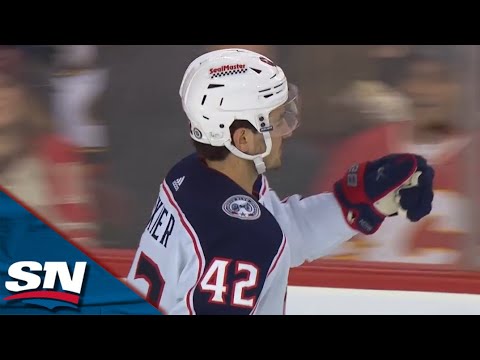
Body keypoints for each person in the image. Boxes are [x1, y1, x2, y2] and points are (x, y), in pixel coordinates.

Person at [125, 48, 434, 315]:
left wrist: (356, 202)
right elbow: (255, 239)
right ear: (242, 138)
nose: (287, 130)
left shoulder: (195, 175)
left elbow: (276, 231)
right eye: (276, 120)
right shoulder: (239, 239)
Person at [311, 52, 477, 265]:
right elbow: (319, 232)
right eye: (417, 78)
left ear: (464, 88)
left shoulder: (474, 158)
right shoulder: (361, 149)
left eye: (440, 79)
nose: (426, 91)